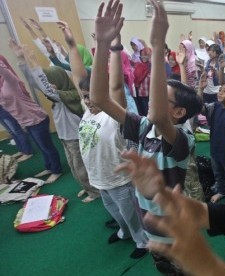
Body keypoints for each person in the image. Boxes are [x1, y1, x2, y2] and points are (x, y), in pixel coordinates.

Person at [90, 0, 202, 273]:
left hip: (179, 234)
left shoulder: (183, 140)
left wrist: (156, 46)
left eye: (164, 94)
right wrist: (104, 45)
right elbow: (99, 98)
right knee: (164, 268)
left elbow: (158, 114)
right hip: (152, 227)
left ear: (179, 112)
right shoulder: (143, 128)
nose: (155, 96)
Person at [81, 0, 148, 259]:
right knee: (115, 212)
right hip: (99, 178)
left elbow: (116, 88)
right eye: (85, 96)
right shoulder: (87, 110)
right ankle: (124, 232)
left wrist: (113, 47)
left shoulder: (113, 115)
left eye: (92, 96)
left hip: (119, 179)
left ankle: (141, 241)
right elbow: (80, 75)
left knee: (131, 213)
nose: (88, 100)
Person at [16, 42, 100, 202]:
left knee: (81, 167)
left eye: (50, 80)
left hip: (75, 138)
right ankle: (87, 186)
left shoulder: (68, 95)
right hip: (65, 137)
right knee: (74, 166)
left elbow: (44, 86)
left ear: (59, 80)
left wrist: (32, 61)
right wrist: (22, 61)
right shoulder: (59, 95)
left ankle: (94, 191)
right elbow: (35, 83)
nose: (48, 84)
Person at [0, 54, 62, 183]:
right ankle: (49, 167)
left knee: (47, 147)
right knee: (41, 146)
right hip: (27, 122)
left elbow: (4, 70)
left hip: (37, 119)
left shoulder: (10, 82)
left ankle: (57, 170)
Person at [198, 77, 225, 203]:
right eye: (220, 90)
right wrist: (200, 89)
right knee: (218, 173)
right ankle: (221, 191)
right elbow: (200, 107)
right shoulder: (214, 107)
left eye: (224, 91)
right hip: (215, 147)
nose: (219, 92)